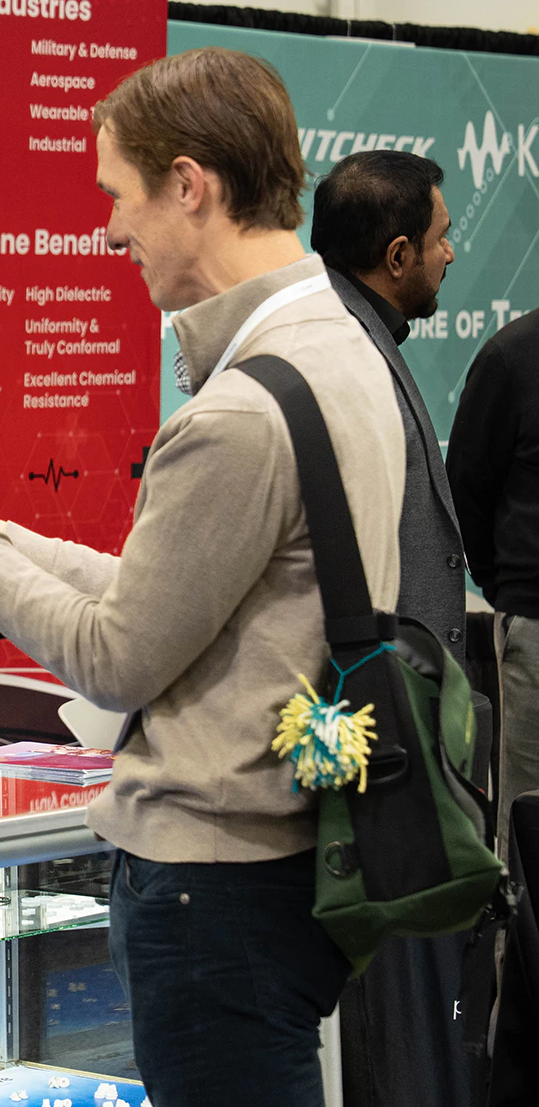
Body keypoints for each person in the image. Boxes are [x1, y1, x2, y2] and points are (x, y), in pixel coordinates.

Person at [0, 48, 402, 1106]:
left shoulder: (235, 411)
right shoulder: (342, 347)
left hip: (215, 889)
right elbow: (160, 588)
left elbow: (116, 655)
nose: (107, 230)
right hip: (284, 866)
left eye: (116, 196)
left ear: (190, 185)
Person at [311, 150, 470, 1107]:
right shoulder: (340, 353)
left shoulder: (366, 336)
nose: (454, 254)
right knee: (386, 1026)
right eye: (443, 238)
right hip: (377, 751)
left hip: (402, 739)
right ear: (398, 252)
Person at [450, 307, 539, 848]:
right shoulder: (512, 358)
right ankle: (520, 938)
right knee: (530, 820)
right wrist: (505, 587)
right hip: (535, 625)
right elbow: (466, 488)